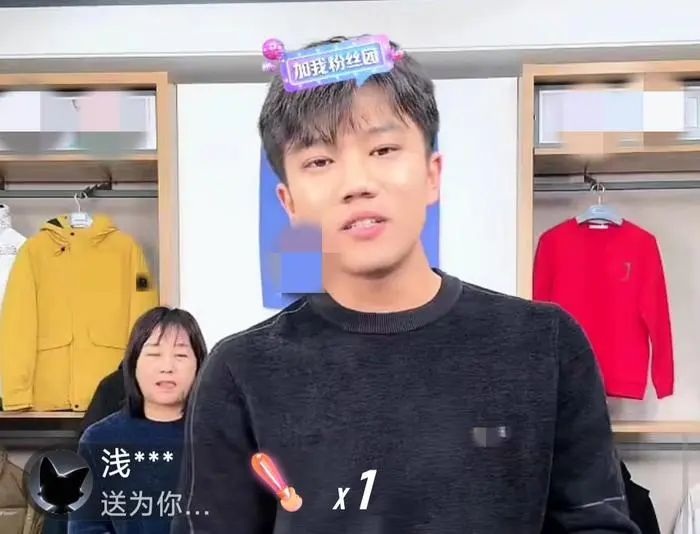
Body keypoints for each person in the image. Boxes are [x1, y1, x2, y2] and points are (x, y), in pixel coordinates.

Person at [172, 35, 639, 533]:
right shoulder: (240, 372)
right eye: (320, 161)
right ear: (289, 204)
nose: (357, 183)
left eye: (384, 149)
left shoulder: (544, 343)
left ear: (432, 175)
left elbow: (596, 523)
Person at [68, 307, 207, 534]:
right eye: (154, 354)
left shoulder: (221, 437)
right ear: (133, 364)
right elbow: (86, 527)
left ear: (200, 366)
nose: (167, 367)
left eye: (180, 355)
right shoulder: (99, 439)